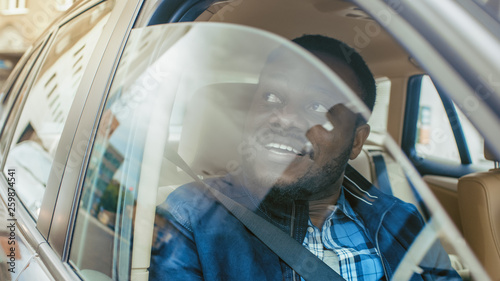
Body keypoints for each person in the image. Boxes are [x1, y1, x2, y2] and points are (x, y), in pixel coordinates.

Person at [150, 35, 460, 280]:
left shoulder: (401, 220)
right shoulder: (189, 218)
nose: (283, 119)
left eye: (317, 107)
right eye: (272, 97)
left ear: (356, 141)